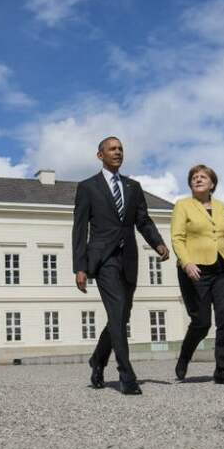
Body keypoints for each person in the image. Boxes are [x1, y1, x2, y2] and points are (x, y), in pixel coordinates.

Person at [72, 137, 170, 395]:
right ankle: (126, 374)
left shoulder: (133, 187)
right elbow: (79, 230)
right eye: (112, 149)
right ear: (100, 155)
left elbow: (143, 221)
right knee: (117, 314)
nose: (118, 152)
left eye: (121, 149)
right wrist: (79, 267)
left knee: (121, 316)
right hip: (103, 259)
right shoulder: (87, 187)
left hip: (129, 258)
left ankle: (97, 360)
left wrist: (158, 243)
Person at [171, 164, 224, 384]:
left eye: (203, 177)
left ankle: (222, 368)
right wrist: (186, 262)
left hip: (222, 269)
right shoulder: (183, 205)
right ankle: (184, 357)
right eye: (194, 177)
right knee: (201, 322)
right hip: (196, 270)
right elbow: (177, 238)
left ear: (212, 184)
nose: (198, 179)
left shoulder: (221, 207)